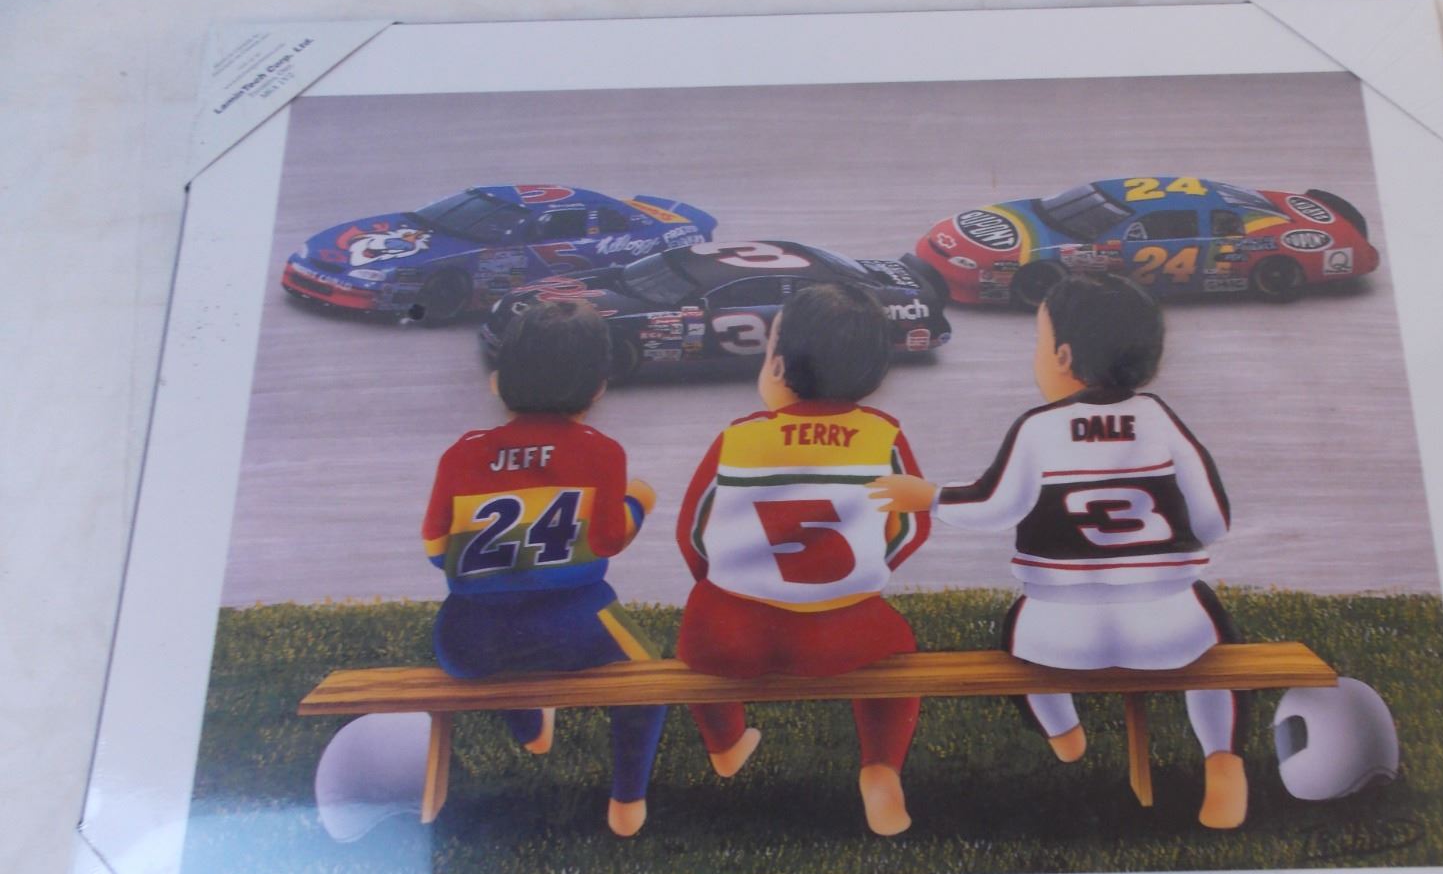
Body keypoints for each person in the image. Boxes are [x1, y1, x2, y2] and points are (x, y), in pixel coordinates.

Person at [871, 273, 1247, 828]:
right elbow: (1213, 522)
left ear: (1064, 356)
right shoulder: (1161, 419)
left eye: (1039, 342)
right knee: (1216, 649)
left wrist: (929, 497)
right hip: (1169, 627)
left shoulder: (1039, 428)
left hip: (1058, 632)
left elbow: (994, 505)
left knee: (1016, 641)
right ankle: (1222, 761)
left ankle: (1064, 734)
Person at [674, 283, 930, 835]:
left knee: (698, 635)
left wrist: (717, 589)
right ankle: (881, 766)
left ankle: (725, 745)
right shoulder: (882, 435)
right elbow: (912, 527)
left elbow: (692, 533)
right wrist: (866, 575)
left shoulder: (739, 436)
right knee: (898, 652)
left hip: (732, 634)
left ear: (778, 365)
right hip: (843, 635)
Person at [422, 298, 666, 838]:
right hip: (572, 624)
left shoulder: (462, 454)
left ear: (500, 381)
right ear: (598, 387)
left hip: (466, 637)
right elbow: (608, 542)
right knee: (649, 678)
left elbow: (437, 550)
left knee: (494, 651)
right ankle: (626, 803)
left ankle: (532, 731)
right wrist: (639, 501)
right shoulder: (601, 452)